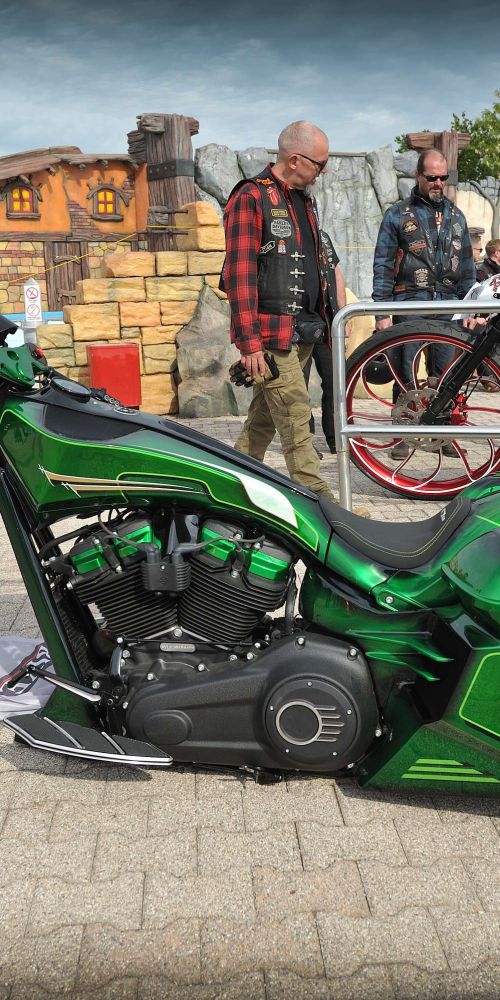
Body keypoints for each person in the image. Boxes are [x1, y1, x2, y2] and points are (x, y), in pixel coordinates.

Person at [222, 120, 369, 515]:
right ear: (294, 160)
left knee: (262, 423)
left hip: (304, 331)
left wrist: (332, 318)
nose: (324, 171)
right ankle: (327, 511)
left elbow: (319, 264)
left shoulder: (305, 199)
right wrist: (249, 345)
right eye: (320, 164)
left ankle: (227, 490)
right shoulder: (251, 197)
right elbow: (239, 275)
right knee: (296, 419)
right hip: (272, 336)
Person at [372, 148, 476, 460]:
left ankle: (442, 433)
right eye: (432, 177)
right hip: (409, 301)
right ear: (419, 176)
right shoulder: (397, 214)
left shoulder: (457, 216)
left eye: (443, 177)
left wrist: (471, 308)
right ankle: (402, 434)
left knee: (447, 374)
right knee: (405, 370)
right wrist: (382, 310)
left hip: (448, 303)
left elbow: (467, 267)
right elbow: (383, 263)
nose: (438, 183)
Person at [303, 237, 350, 456]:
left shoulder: (322, 236)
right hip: (299, 322)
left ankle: (335, 438)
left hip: (327, 320)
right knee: (299, 385)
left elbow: (336, 273)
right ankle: (304, 442)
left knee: (335, 381)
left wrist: (343, 314)